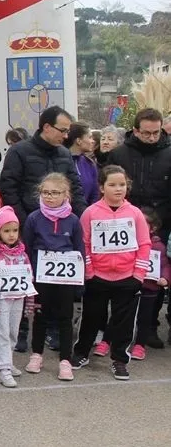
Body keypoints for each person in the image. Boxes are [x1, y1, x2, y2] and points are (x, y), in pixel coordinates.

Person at [71, 165, 149, 381]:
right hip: (98, 277)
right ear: (101, 187)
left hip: (127, 277)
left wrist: (138, 274)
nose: (118, 189)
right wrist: (89, 271)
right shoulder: (91, 212)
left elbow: (144, 244)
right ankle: (81, 352)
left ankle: (120, 360)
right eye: (112, 185)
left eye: (122, 185)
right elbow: (84, 244)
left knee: (123, 322)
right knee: (91, 317)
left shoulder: (135, 214)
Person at [105, 108, 171, 348]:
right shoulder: (119, 154)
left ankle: (149, 327)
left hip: (158, 226)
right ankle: (118, 326)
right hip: (123, 225)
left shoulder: (169, 153)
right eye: (146, 133)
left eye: (156, 133)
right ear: (135, 130)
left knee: (153, 278)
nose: (152, 137)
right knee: (121, 277)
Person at [21, 173, 84, 380]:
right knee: (40, 317)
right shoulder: (34, 218)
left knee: (65, 318)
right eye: (45, 192)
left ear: (65, 195)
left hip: (65, 279)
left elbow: (79, 250)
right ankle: (37, 354)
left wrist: (79, 281)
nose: (49, 197)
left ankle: (65, 360)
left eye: (55, 193)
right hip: (41, 277)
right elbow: (28, 248)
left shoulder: (73, 220)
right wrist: (29, 274)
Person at [0, 105, 86, 225]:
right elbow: (9, 191)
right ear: (47, 127)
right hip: (31, 224)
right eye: (63, 130)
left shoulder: (65, 154)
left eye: (68, 131)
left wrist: (82, 218)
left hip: (63, 225)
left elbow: (75, 188)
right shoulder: (18, 151)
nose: (66, 136)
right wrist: (25, 223)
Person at [0, 206, 31, 387]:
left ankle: (8, 361)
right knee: (2, 332)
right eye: (7, 231)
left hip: (17, 297)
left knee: (13, 331)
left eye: (15, 230)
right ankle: (3, 368)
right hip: (1, 300)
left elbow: (28, 275)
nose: (11, 235)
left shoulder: (22, 255)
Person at [130, 208, 169, 361]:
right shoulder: (129, 242)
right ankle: (109, 340)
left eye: (142, 223)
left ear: (153, 228)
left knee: (145, 318)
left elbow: (165, 265)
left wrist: (165, 278)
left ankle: (140, 345)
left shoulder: (159, 246)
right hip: (131, 285)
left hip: (150, 288)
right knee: (123, 315)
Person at [66, 122, 100, 208]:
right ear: (79, 141)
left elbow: (95, 193)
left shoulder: (90, 164)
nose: (93, 141)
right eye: (90, 137)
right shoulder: (62, 161)